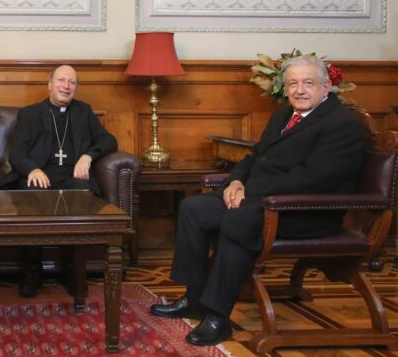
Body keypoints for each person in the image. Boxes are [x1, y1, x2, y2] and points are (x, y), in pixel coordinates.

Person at [150, 55, 366, 346]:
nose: (299, 90)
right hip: (261, 199)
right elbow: (255, 157)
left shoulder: (342, 124)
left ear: (326, 86)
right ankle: (195, 298)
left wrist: (250, 192)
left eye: (307, 83)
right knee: (194, 208)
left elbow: (313, 178)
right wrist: (236, 181)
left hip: (306, 211)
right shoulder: (283, 115)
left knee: (241, 218)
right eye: (293, 83)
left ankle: (217, 317)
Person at [5, 65, 118, 297]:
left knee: (82, 193)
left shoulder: (83, 111)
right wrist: (32, 170)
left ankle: (72, 270)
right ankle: (32, 271)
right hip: (40, 176)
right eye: (61, 81)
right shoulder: (30, 114)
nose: (66, 86)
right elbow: (17, 153)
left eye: (72, 82)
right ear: (50, 84)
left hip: (70, 177)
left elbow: (108, 140)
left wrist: (88, 156)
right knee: (29, 193)